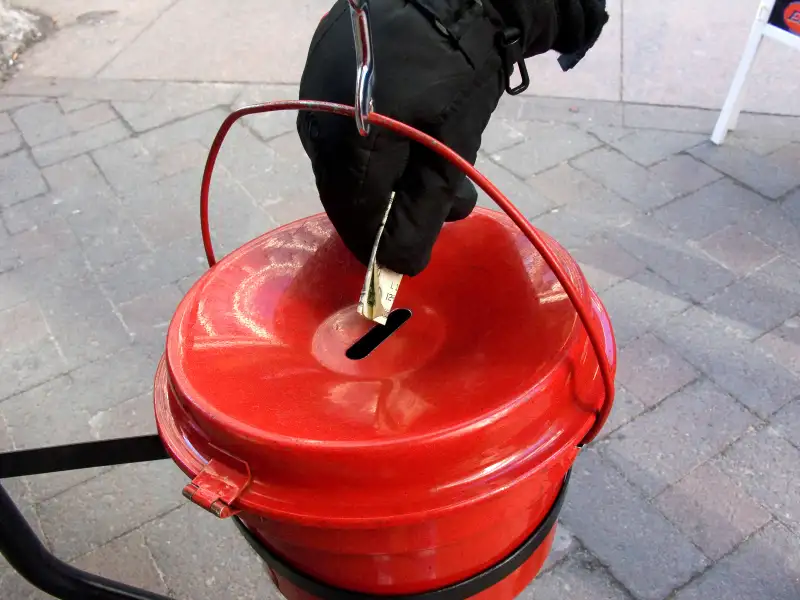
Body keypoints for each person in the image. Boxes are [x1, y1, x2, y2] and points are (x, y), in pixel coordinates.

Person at [296, 0, 609, 276]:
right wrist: (399, 254)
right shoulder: (477, 67)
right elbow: (402, 249)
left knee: (452, 196)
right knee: (405, 233)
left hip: (345, 44)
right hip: (434, 53)